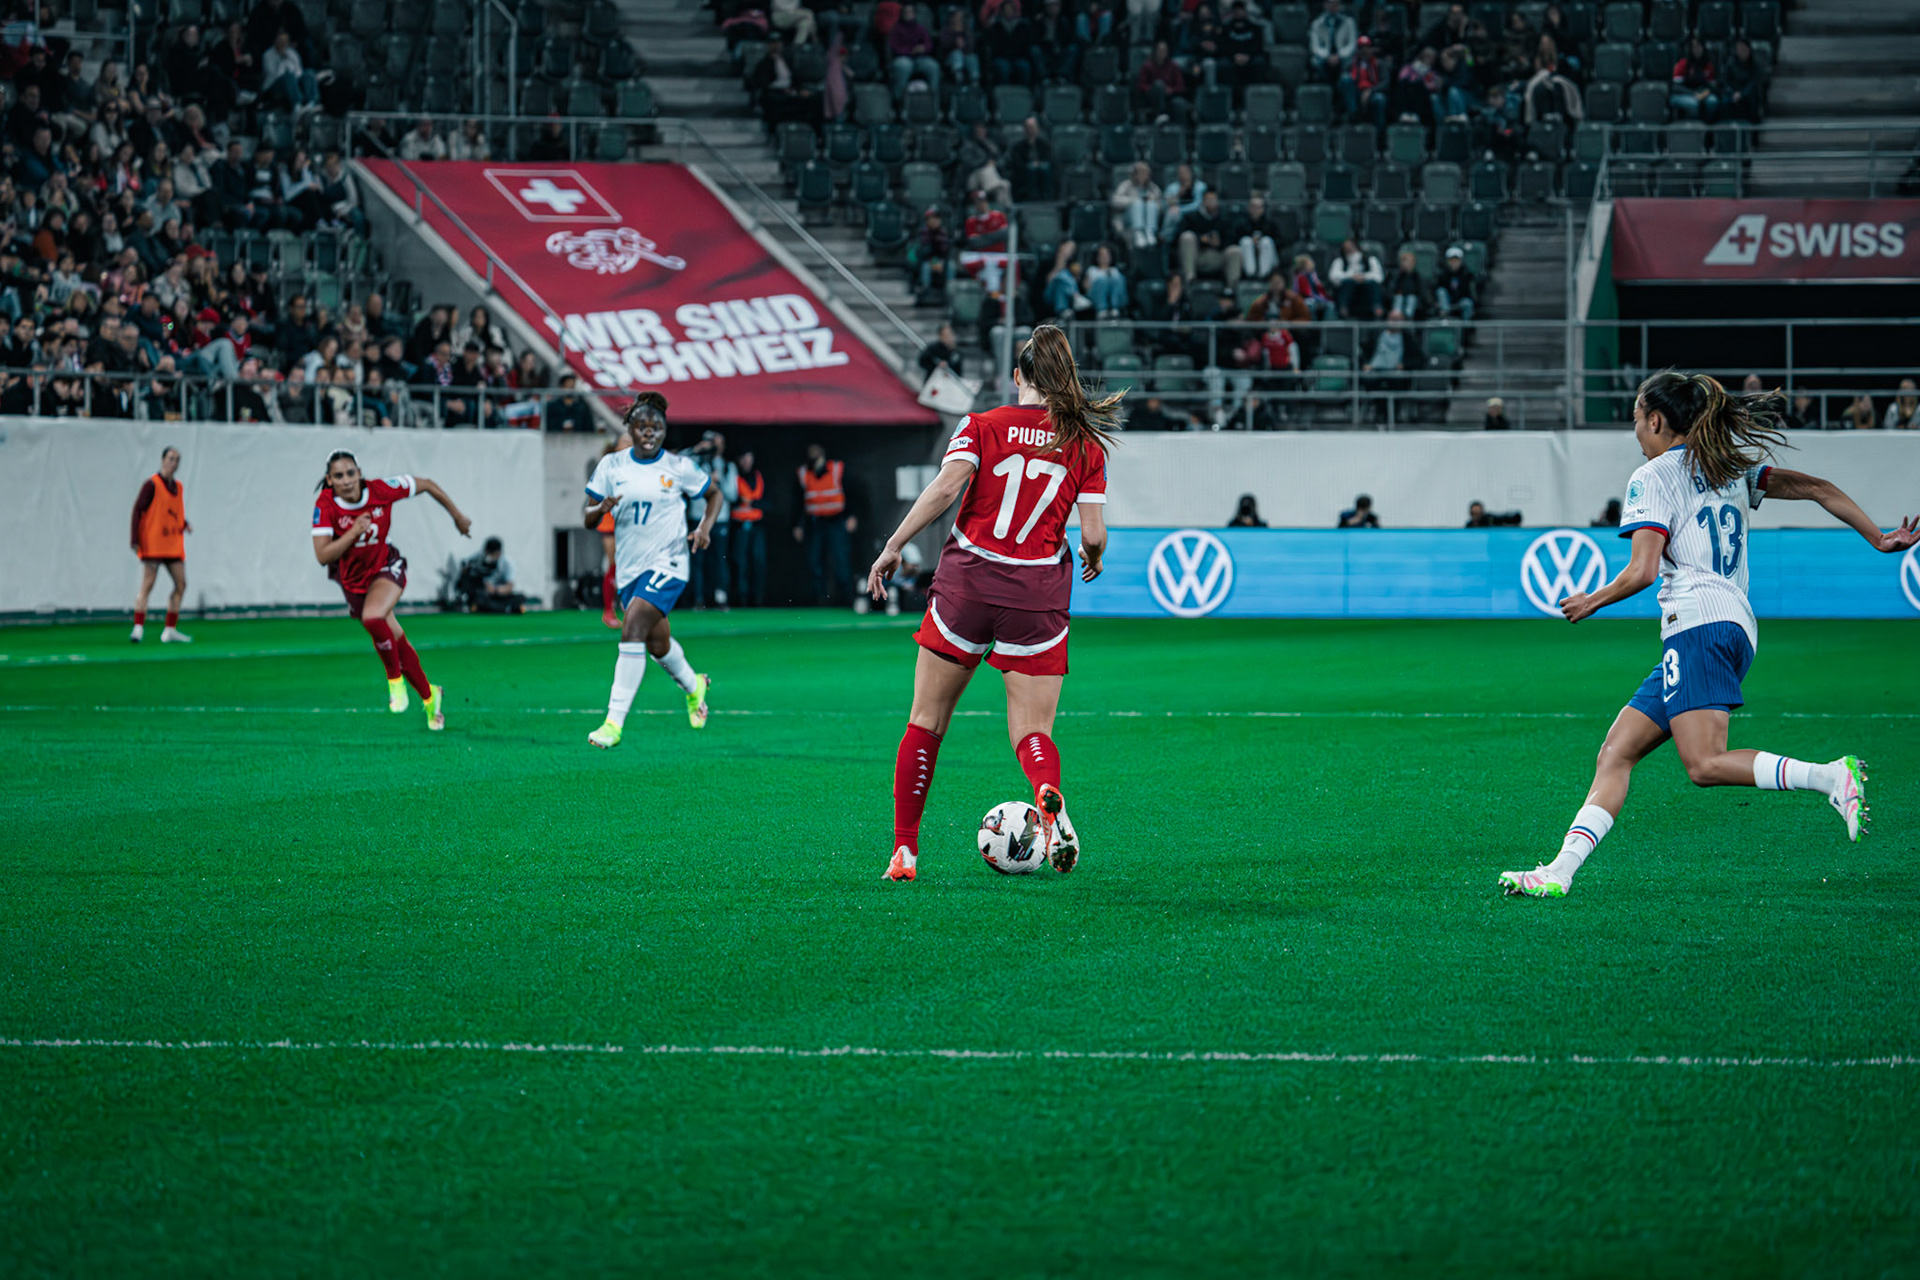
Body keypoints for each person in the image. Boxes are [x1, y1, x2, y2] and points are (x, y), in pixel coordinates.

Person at [1500, 371, 1919, 899]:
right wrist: (1878, 537)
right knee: (1617, 752)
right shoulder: (1730, 467)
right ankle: (1560, 871)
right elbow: (1818, 489)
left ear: (1655, 419)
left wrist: (1591, 598)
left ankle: (1831, 776)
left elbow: (1643, 571)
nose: (1634, 428)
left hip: (1696, 623)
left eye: (1636, 417)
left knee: (1703, 764)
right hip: (1733, 625)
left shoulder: (1651, 476)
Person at [865, 324, 1118, 882]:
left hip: (968, 585)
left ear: (1018, 377)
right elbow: (1094, 534)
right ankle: (1046, 792)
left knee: (926, 721)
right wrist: (1093, 555)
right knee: (1032, 730)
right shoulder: (1085, 443)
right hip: (1036, 596)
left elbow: (945, 489)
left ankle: (905, 852)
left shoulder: (981, 425)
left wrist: (893, 546)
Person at [581, 393, 721, 748]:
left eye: (656, 427)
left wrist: (704, 527)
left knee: (632, 626)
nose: (649, 432)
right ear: (631, 427)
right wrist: (602, 509)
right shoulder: (612, 466)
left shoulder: (677, 467)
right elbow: (587, 516)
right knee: (657, 642)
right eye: (642, 426)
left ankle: (613, 723)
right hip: (631, 570)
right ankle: (694, 686)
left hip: (669, 562)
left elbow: (714, 495)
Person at [311, 450, 472, 728]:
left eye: (351, 473)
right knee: (395, 639)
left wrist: (456, 515)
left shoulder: (381, 490)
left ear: (359, 473)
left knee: (373, 617)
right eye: (339, 475)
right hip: (354, 582)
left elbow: (428, 484)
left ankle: (394, 682)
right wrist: (353, 532)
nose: (347, 480)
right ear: (330, 479)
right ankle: (430, 697)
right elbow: (323, 555)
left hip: (387, 567)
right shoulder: (325, 505)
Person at [129, 446, 192, 643]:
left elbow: (172, 512)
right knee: (147, 585)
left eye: (177, 460)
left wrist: (184, 524)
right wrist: (135, 539)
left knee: (181, 584)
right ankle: (138, 627)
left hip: (172, 544)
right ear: (163, 460)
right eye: (171, 458)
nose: (173, 463)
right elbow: (138, 510)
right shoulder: (152, 484)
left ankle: (170, 629)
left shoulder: (178, 487)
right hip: (154, 543)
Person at [793, 442, 858, 605]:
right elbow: (798, 501)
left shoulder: (836, 469)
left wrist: (852, 515)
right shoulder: (803, 473)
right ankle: (819, 600)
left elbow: (851, 492)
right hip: (815, 523)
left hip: (836, 521)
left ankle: (847, 599)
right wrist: (798, 525)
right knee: (815, 562)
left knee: (841, 560)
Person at [730, 448, 768, 607]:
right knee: (740, 563)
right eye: (743, 458)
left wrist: (753, 503)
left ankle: (757, 599)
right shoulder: (734, 477)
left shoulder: (759, 477)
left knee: (758, 562)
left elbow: (770, 502)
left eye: (749, 457)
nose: (746, 461)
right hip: (739, 527)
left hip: (757, 527)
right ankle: (742, 599)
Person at [459, 537, 525, 613]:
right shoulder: (479, 556)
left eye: (492, 553)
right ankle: (506, 608)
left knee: (520, 597)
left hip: (497, 594)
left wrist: (494, 589)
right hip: (483, 593)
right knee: (479, 597)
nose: (489, 556)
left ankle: (497, 608)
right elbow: (464, 565)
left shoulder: (507, 563)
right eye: (488, 552)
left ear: (499, 552)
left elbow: (509, 587)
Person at [1435, 246, 1477, 322]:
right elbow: (1439, 288)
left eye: (1456, 260)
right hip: (1448, 300)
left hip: (1460, 300)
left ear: (1461, 261)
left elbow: (1468, 293)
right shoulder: (1443, 274)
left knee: (1467, 303)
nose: (1454, 263)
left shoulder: (1466, 274)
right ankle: (1445, 317)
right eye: (1451, 261)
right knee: (1441, 291)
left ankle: (1465, 327)